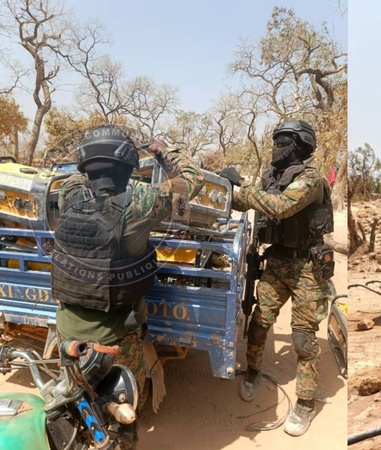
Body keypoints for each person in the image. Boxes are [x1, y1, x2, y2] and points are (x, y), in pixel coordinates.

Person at [51, 125, 203, 449]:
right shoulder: (142, 199)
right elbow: (192, 180)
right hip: (117, 337)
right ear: (127, 164)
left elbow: (84, 177)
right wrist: (163, 151)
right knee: (123, 414)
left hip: (68, 332)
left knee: (77, 404)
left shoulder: (67, 193)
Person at [219, 120, 334, 437]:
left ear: (297, 146)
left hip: (307, 268)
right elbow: (249, 202)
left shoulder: (311, 180)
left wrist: (243, 183)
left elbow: (280, 207)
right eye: (275, 141)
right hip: (278, 261)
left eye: (282, 141)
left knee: (303, 338)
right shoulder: (272, 178)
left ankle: (306, 403)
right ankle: (253, 372)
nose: (275, 147)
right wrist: (224, 187)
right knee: (259, 322)